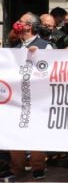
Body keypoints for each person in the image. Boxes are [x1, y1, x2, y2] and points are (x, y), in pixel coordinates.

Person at [1, 12, 50, 180]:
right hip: (16, 99)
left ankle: (38, 166)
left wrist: (40, 57)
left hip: (37, 99)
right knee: (15, 132)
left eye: (21, 21)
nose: (17, 23)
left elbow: (53, 70)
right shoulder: (15, 49)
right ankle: (17, 167)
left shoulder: (45, 46)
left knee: (35, 132)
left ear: (29, 26)